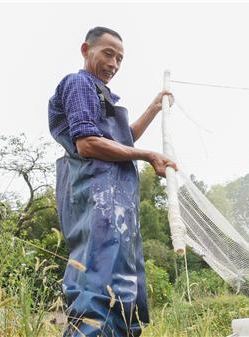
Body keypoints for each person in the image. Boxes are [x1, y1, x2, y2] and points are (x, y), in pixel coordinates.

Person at [48, 26, 176, 337]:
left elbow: (122, 138)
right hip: (95, 194)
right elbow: (88, 143)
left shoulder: (102, 94)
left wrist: (154, 108)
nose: (114, 64)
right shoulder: (79, 84)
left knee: (124, 287)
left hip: (116, 201)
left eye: (120, 58)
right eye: (108, 53)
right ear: (85, 50)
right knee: (98, 284)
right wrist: (148, 155)